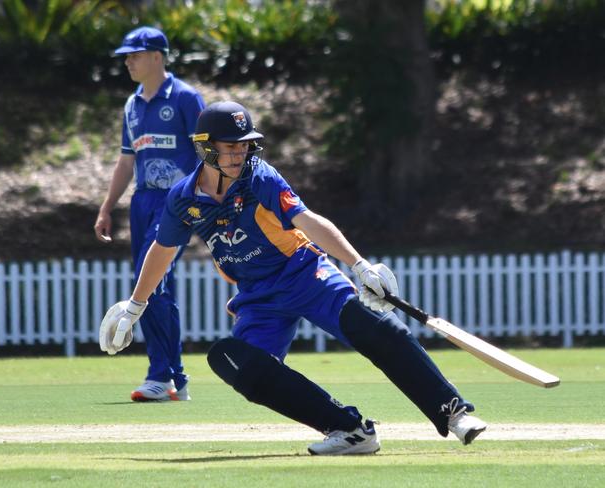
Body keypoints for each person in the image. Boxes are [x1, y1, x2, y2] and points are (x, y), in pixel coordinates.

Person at [99, 101, 487, 454]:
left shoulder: (260, 177)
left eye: (244, 145)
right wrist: (136, 306)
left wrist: (358, 265)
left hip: (304, 272)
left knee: (371, 326)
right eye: (229, 146)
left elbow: (307, 221)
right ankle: (350, 431)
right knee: (237, 364)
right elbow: (162, 249)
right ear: (205, 146)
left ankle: (453, 413)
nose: (238, 154)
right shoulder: (183, 198)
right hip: (256, 296)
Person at [94, 26, 205, 402]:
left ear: (157, 56)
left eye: (134, 55)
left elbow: (207, 156)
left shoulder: (187, 98)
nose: (128, 61)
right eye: (126, 56)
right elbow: (128, 161)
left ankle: (163, 375)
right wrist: (107, 206)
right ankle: (174, 379)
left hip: (176, 201)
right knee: (154, 286)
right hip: (142, 202)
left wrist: (206, 202)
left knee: (152, 281)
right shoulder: (132, 105)